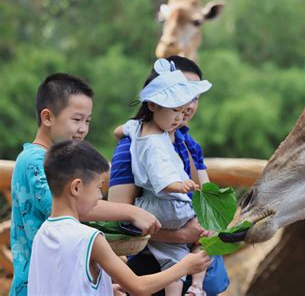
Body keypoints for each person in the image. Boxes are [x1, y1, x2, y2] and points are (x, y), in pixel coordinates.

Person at [9, 73, 161, 296]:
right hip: (37, 285)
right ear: (48, 117)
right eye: (76, 119)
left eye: (87, 121)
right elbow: (70, 204)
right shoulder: (34, 160)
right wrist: (130, 212)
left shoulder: (54, 159)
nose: (83, 128)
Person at [109, 56, 229, 296]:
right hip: (152, 273)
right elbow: (116, 219)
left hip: (196, 271)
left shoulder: (188, 144)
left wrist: (209, 228)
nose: (187, 104)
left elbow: (207, 200)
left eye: (193, 96)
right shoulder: (132, 146)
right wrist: (181, 235)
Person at [28, 140, 211, 295]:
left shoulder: (42, 234)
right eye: (99, 188)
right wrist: (185, 266)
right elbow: (139, 287)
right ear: (76, 187)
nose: (100, 197)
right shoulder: (90, 238)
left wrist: (107, 288)